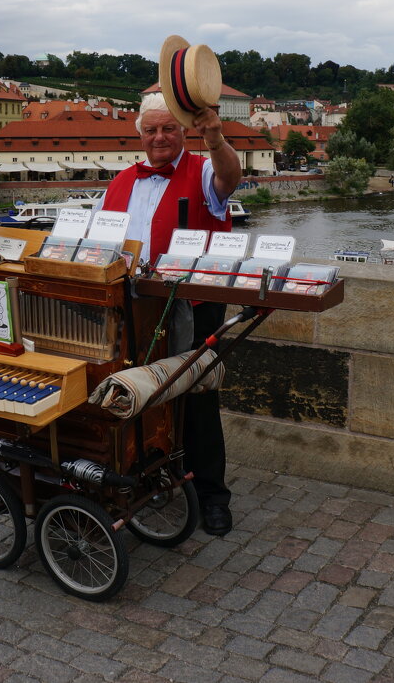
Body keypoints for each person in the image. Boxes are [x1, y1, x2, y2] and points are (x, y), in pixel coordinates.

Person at [99, 91, 241, 536]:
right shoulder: (121, 182)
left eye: (168, 128)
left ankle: (213, 496)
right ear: (139, 135)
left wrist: (215, 138)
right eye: (151, 130)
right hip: (136, 310)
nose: (159, 137)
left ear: (182, 132)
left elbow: (230, 179)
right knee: (140, 396)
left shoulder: (201, 172)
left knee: (196, 399)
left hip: (194, 306)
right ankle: (153, 479)